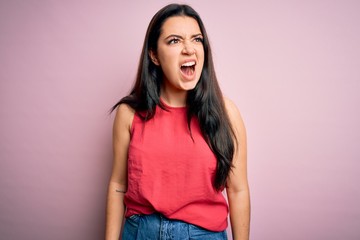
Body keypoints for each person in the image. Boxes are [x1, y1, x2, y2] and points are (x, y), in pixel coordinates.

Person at [105, 3, 250, 240]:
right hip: (141, 232)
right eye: (174, 41)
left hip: (204, 235)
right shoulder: (129, 113)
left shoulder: (227, 113)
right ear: (154, 55)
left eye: (196, 39)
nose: (189, 49)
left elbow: (238, 190)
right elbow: (118, 185)